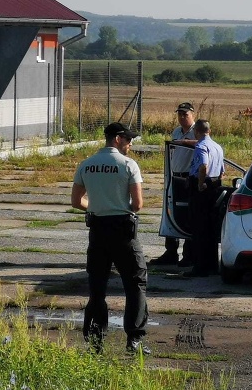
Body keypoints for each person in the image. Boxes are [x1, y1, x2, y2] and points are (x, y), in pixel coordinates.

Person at [71, 122, 150, 355]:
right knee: (135, 284)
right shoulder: (128, 165)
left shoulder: (87, 164)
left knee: (97, 288)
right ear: (117, 139)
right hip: (123, 231)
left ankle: (96, 340)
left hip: (98, 230)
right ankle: (134, 339)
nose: (131, 143)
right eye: (128, 139)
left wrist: (95, 206)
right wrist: (119, 206)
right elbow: (137, 204)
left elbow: (76, 201)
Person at [152, 102, 197, 267]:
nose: (182, 117)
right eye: (180, 114)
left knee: (187, 215)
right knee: (170, 212)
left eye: (185, 114)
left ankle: (188, 254)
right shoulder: (177, 131)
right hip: (174, 176)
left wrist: (185, 143)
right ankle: (170, 252)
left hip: (188, 177)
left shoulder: (196, 131)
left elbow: (203, 144)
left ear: (193, 114)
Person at [184, 119, 225, 278]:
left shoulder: (201, 146)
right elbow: (222, 170)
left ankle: (200, 267)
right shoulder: (217, 146)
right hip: (215, 186)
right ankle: (212, 266)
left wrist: (200, 184)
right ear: (209, 130)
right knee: (210, 228)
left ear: (197, 131)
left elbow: (203, 166)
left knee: (199, 228)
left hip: (202, 187)